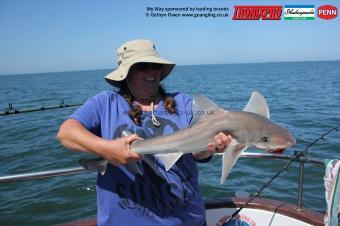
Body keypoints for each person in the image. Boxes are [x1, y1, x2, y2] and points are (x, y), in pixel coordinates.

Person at [57, 39, 232, 226]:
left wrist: (212, 147)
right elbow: (66, 133)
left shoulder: (183, 103)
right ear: (126, 73)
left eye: (156, 66)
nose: (152, 71)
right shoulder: (105, 103)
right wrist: (107, 149)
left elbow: (198, 153)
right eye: (142, 66)